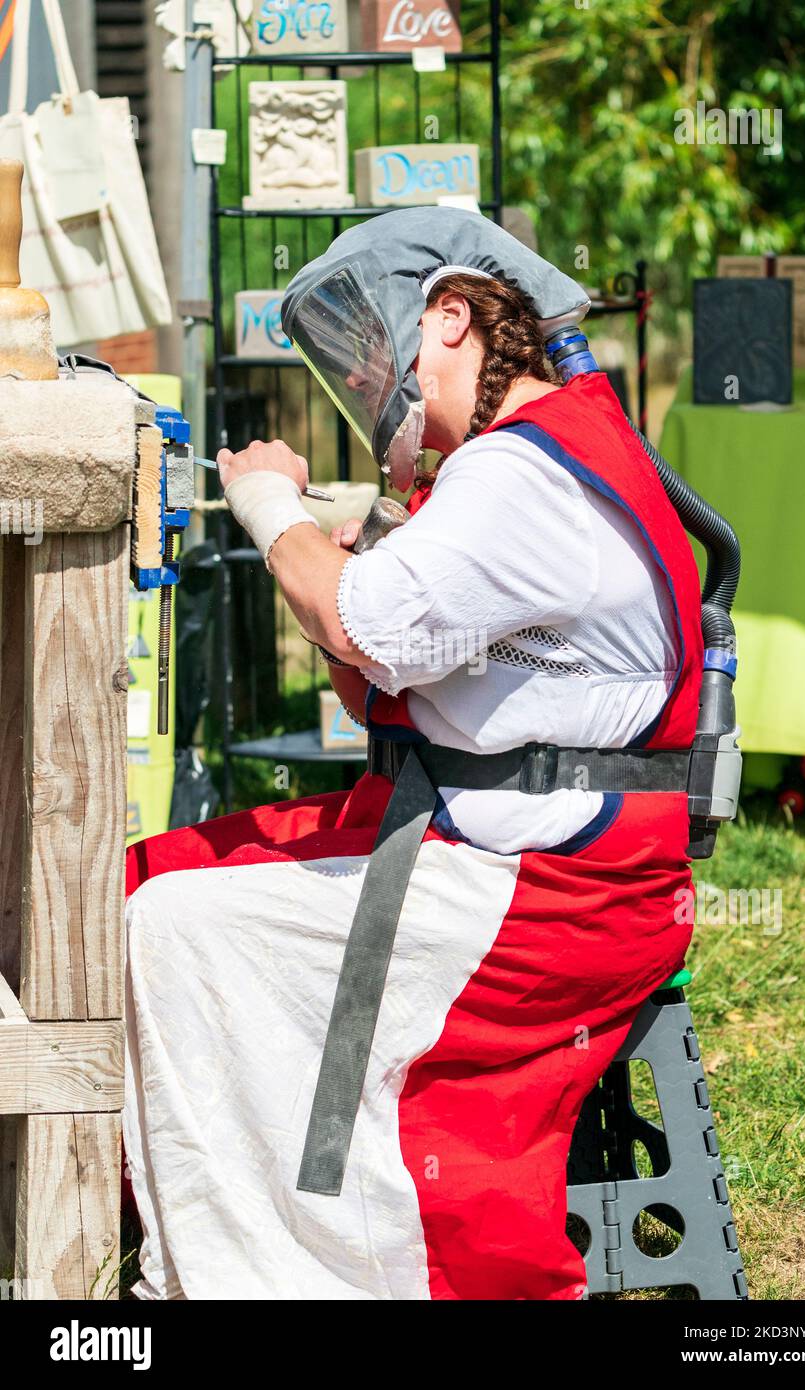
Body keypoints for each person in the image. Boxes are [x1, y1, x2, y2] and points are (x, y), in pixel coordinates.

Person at [123, 210, 702, 1301]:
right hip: (517, 855)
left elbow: (357, 630)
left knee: (165, 921)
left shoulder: (522, 475)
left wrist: (268, 506)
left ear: (450, 318)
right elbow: (379, 669)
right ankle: (213, 1216)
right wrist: (334, 554)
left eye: (372, 353)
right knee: (146, 877)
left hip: (545, 892)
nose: (370, 385)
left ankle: (256, 1268)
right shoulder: (540, 452)